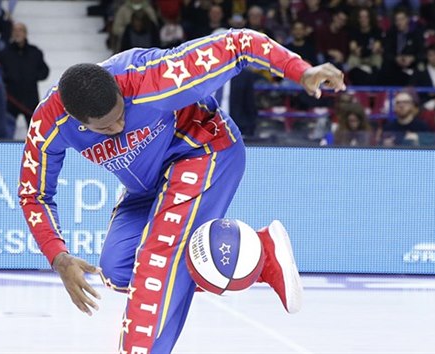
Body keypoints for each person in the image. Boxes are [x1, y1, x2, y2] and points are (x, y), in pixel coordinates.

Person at [18, 28, 345, 354]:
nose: (118, 128)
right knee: (118, 270)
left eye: (122, 115)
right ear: (76, 121)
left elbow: (237, 44)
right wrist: (58, 258)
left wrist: (300, 70)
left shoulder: (153, 76)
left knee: (157, 261)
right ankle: (259, 255)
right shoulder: (48, 123)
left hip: (202, 150)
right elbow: (33, 194)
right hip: (146, 188)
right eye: (105, 128)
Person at [0, 22, 49, 125]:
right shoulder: (4, 53)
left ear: (25, 33)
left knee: (35, 129)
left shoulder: (35, 52)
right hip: (11, 99)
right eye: (15, 30)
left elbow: (45, 71)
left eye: (20, 30)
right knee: (7, 128)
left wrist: (33, 77)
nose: (17, 33)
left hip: (30, 98)